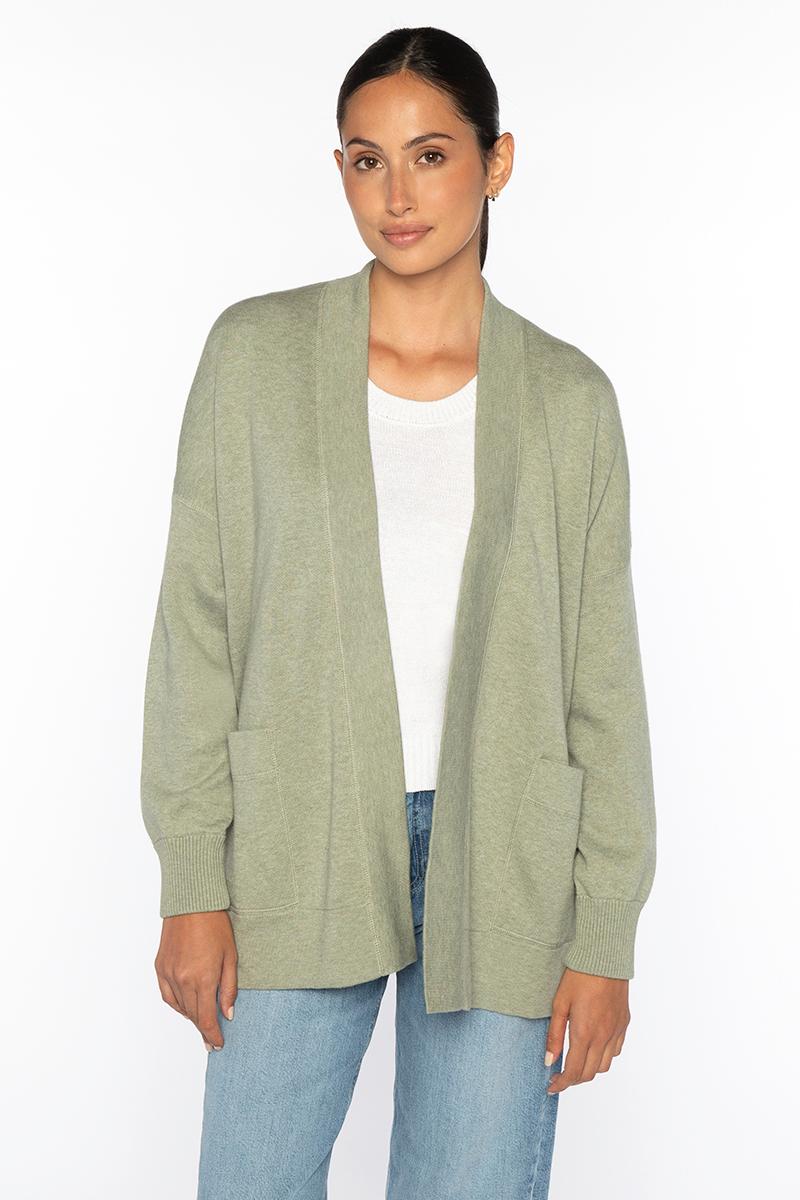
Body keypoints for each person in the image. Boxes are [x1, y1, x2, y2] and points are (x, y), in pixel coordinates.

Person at [140, 26, 657, 1200]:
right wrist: (191, 880)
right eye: (366, 161)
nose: (397, 195)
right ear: (340, 171)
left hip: (508, 857)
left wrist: (603, 935)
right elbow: (195, 630)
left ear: (495, 161)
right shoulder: (254, 359)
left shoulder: (568, 401)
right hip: (290, 835)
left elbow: (602, 683)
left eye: (430, 155)